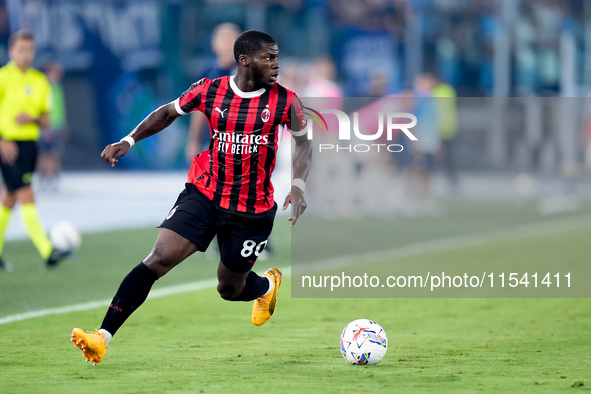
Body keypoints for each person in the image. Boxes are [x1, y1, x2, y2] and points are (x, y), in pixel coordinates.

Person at [71, 30, 312, 365]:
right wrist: (129, 140)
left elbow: (303, 141)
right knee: (158, 259)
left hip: (251, 210)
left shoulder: (285, 101)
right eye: (268, 57)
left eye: (276, 57)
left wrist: (298, 184)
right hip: (205, 192)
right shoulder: (210, 90)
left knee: (229, 289)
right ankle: (101, 338)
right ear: (244, 60)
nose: (276, 63)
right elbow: (166, 113)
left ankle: (266, 288)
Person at [0, 30, 69, 272]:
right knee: (26, 195)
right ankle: (47, 250)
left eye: (30, 49)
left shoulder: (39, 81)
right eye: (21, 49)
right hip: (7, 146)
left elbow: (47, 119)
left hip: (30, 146)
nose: (26, 54)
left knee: (9, 199)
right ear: (11, 51)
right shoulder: (3, 78)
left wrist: (33, 118)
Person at [37, 62, 68, 192]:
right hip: (46, 127)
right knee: (45, 154)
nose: (57, 75)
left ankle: (54, 179)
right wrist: (45, 127)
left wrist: (63, 125)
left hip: (57, 127)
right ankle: (43, 179)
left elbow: (59, 110)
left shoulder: (57, 88)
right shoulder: (42, 88)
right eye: (54, 72)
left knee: (56, 153)